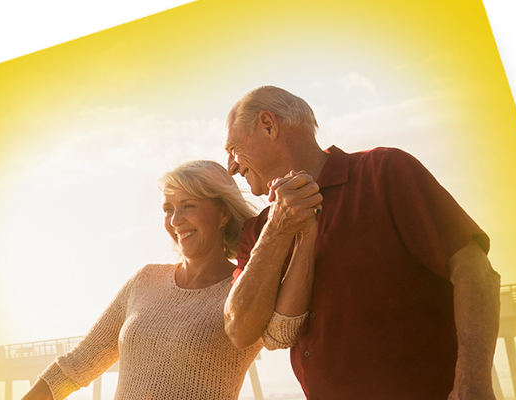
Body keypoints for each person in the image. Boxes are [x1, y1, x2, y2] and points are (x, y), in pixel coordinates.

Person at [222, 86, 501, 400]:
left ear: (269, 126)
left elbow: (475, 270)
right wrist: (276, 228)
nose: (231, 166)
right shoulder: (257, 232)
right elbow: (239, 330)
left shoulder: (384, 171)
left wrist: (473, 383)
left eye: (233, 148)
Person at [21, 160, 315, 400]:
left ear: (223, 213)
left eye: (188, 205)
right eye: (168, 209)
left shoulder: (245, 288)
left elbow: (282, 332)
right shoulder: (145, 280)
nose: (175, 221)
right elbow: (76, 366)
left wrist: (305, 232)